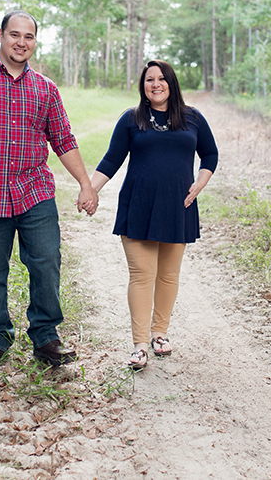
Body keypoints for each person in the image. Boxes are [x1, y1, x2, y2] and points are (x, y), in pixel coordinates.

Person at [0, 10, 98, 371]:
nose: (21, 42)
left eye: (28, 37)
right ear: (0, 35)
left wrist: (85, 184)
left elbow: (63, 139)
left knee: (46, 263)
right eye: (14, 35)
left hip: (34, 192)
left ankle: (45, 337)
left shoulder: (45, 88)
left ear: (34, 42)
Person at [90, 60, 218, 370]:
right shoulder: (132, 120)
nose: (156, 84)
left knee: (169, 275)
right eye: (150, 79)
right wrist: (89, 189)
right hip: (139, 205)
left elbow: (210, 153)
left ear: (171, 83)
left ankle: (160, 333)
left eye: (162, 79)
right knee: (141, 275)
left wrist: (200, 182)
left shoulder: (192, 119)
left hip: (179, 205)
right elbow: (111, 160)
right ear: (143, 86)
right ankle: (140, 344)